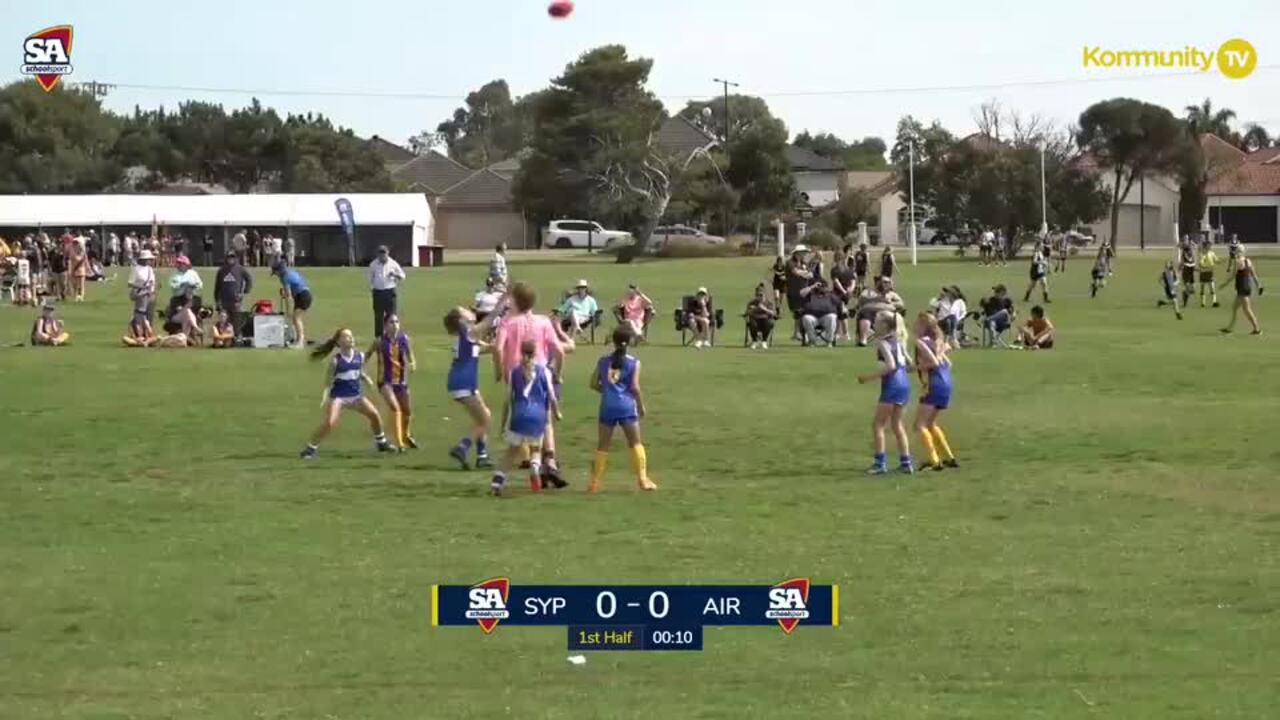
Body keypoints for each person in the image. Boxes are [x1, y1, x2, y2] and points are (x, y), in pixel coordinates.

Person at [494, 282, 567, 487]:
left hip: (515, 374)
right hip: (540, 372)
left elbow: (498, 349)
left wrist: (499, 372)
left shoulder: (507, 323)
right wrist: (557, 374)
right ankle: (548, 461)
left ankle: (529, 461)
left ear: (515, 301)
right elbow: (559, 351)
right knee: (545, 421)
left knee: (516, 414)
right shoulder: (543, 321)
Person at [300, 329, 395, 459]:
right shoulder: (336, 361)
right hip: (339, 397)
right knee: (330, 422)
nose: (351, 338)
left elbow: (359, 371)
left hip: (356, 396)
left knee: (374, 415)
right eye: (347, 336)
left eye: (351, 336)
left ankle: (381, 442)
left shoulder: (359, 356)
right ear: (339, 342)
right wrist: (324, 397)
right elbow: (328, 382)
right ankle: (310, 448)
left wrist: (366, 379)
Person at [588, 326, 657, 493]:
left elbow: (592, 383)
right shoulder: (634, 362)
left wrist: (607, 391)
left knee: (603, 445)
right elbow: (634, 387)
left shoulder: (603, 361)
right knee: (635, 443)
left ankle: (595, 483)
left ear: (614, 341)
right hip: (626, 406)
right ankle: (642, 479)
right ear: (630, 342)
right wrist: (640, 405)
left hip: (607, 406)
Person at [491, 340, 562, 496]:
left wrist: (503, 424)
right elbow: (551, 396)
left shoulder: (513, 372)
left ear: (520, 352)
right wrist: (557, 412)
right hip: (537, 416)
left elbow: (507, 400)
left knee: (511, 452)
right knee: (536, 449)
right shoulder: (545, 371)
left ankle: (497, 482)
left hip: (518, 415)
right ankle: (535, 468)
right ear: (536, 352)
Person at [857, 311, 914, 475]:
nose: (873, 323)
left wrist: (868, 378)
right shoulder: (899, 340)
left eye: (876, 321)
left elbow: (891, 366)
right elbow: (909, 364)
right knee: (897, 425)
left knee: (878, 425)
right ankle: (906, 463)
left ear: (885, 325)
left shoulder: (882, 343)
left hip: (893, 385)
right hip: (904, 384)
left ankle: (880, 463)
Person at [444, 307, 493, 470]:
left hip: (460, 382)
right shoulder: (469, 332)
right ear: (461, 320)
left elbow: (485, 348)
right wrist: (504, 298)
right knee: (485, 420)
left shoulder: (466, 336)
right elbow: (489, 320)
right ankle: (462, 448)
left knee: (482, 418)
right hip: (464, 383)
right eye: (463, 310)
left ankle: (482, 456)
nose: (468, 310)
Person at [913, 313, 958, 471]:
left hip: (935, 383)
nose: (914, 325)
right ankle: (949, 457)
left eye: (917, 323)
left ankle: (934, 461)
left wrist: (913, 368)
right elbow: (948, 364)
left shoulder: (921, 343)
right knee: (931, 423)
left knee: (920, 425)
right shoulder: (938, 341)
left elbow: (933, 362)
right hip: (946, 383)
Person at [369, 314, 417, 451]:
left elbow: (410, 356)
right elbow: (366, 355)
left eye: (396, 322)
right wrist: (359, 370)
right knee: (396, 408)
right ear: (385, 325)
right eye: (391, 322)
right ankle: (399, 443)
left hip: (401, 381)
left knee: (407, 412)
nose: (395, 324)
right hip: (385, 382)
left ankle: (406, 435)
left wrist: (413, 363)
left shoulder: (404, 339)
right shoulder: (379, 342)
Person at [1219, 248, 1263, 335]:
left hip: (1242, 288)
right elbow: (1254, 274)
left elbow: (1233, 275)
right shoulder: (1248, 261)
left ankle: (1257, 329)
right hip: (1246, 287)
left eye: (1236, 251)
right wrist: (1258, 285)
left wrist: (1224, 284)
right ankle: (1229, 328)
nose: (1234, 253)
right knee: (1234, 308)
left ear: (1239, 252)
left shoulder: (1238, 261)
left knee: (1247, 309)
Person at [853, 277, 906, 346]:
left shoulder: (892, 294)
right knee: (865, 315)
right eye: (884, 282)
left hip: (886, 312)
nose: (885, 284)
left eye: (888, 282)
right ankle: (864, 339)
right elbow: (861, 300)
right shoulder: (869, 291)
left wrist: (890, 303)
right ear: (878, 283)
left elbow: (901, 303)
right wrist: (876, 299)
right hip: (870, 311)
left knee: (895, 317)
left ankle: (895, 339)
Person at [368, 245, 405, 338]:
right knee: (378, 316)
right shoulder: (373, 264)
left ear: (387, 253)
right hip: (378, 292)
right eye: (380, 254)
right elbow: (370, 278)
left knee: (391, 316)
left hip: (390, 292)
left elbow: (403, 276)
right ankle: (379, 338)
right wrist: (373, 289)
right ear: (378, 254)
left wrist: (395, 274)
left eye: (384, 254)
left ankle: (392, 336)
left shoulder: (393, 263)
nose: (382, 256)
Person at [273, 261, 312, 348]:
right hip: (304, 295)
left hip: (303, 296)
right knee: (296, 319)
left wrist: (288, 310)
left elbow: (288, 295)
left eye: (275, 272)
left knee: (296, 318)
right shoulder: (292, 273)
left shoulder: (284, 278)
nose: (275, 275)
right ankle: (298, 339)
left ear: (279, 271)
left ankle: (300, 342)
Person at [214, 253, 253, 339]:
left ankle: (237, 336)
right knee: (224, 319)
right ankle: (224, 337)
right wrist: (217, 300)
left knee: (236, 319)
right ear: (226, 258)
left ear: (235, 258)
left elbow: (249, 279)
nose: (230, 259)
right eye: (229, 257)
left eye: (232, 257)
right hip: (224, 299)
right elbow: (217, 287)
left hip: (236, 300)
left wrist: (244, 292)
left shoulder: (240, 269)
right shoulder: (221, 270)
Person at [799, 278, 841, 347]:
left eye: (823, 286)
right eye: (820, 286)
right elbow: (801, 293)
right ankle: (812, 341)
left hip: (826, 318)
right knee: (806, 318)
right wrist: (812, 286)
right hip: (812, 317)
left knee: (832, 317)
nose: (821, 288)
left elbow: (839, 304)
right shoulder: (810, 294)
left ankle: (829, 341)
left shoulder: (830, 295)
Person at [784, 246, 813, 339]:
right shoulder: (790, 262)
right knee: (797, 311)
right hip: (793, 291)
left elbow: (811, 274)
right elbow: (795, 272)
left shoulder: (804, 263)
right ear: (797, 253)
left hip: (804, 290)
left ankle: (800, 332)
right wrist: (806, 274)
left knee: (803, 311)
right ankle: (797, 333)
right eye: (803, 252)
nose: (804, 254)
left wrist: (806, 274)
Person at [830, 248, 857, 341]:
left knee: (841, 313)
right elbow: (853, 281)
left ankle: (845, 333)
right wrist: (850, 290)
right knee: (840, 313)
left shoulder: (835, 270)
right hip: (846, 294)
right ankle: (838, 333)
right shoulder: (849, 269)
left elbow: (836, 282)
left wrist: (843, 291)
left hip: (838, 294)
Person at [128, 248, 158, 328]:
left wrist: (153, 290)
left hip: (150, 294)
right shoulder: (136, 269)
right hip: (141, 294)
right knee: (140, 314)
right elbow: (130, 283)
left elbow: (152, 281)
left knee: (150, 314)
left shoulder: (149, 269)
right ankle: (138, 331)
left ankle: (148, 332)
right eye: (149, 259)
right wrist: (143, 287)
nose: (150, 261)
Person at [745, 283, 778, 349]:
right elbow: (747, 312)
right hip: (755, 319)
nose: (759, 297)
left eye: (761, 295)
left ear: (764, 295)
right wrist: (755, 309)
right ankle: (755, 341)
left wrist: (764, 309)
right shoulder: (752, 303)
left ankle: (764, 341)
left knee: (768, 323)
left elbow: (772, 313)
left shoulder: (768, 303)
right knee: (752, 324)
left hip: (765, 319)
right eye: (757, 295)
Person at [1197, 240, 1220, 308]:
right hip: (1204, 272)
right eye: (1209, 245)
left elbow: (1216, 260)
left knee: (1212, 287)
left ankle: (1214, 302)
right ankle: (1203, 303)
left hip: (1210, 272)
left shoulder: (1212, 253)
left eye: (1210, 245)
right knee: (1202, 287)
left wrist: (1219, 261)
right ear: (1206, 246)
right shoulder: (1202, 253)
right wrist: (1205, 267)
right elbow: (1200, 263)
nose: (1210, 247)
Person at [1178, 237, 1198, 308]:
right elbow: (1179, 245)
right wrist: (1180, 267)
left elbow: (1195, 247)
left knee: (1192, 290)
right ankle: (1185, 302)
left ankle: (1184, 294)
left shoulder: (1191, 251)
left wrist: (1195, 267)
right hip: (1186, 271)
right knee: (1188, 288)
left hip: (1191, 271)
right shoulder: (1184, 253)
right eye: (1185, 239)